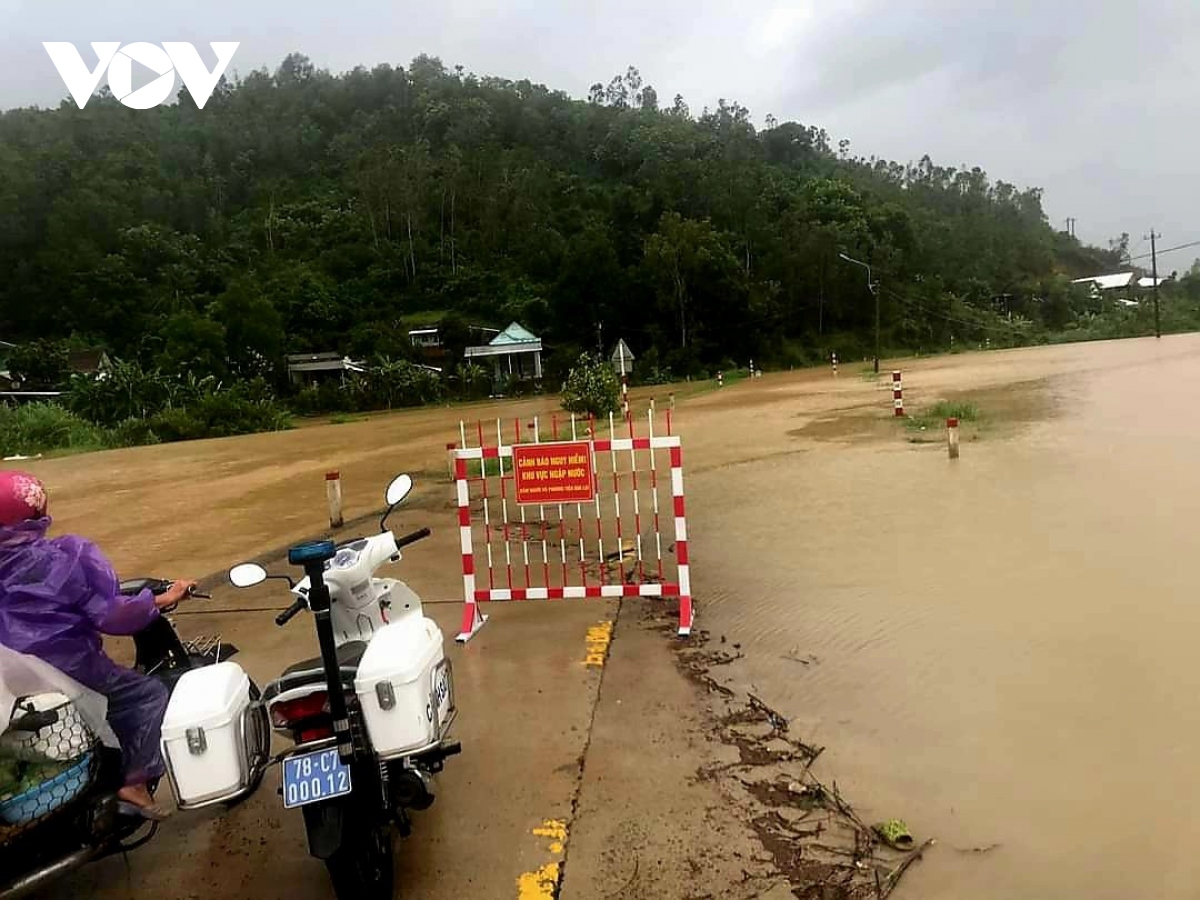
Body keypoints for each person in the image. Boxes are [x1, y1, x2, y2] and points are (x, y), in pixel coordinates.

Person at [0, 471, 195, 820]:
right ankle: (134, 783)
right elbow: (111, 615)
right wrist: (163, 598)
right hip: (69, 668)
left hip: (11, 677)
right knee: (146, 695)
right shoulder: (64, 557)